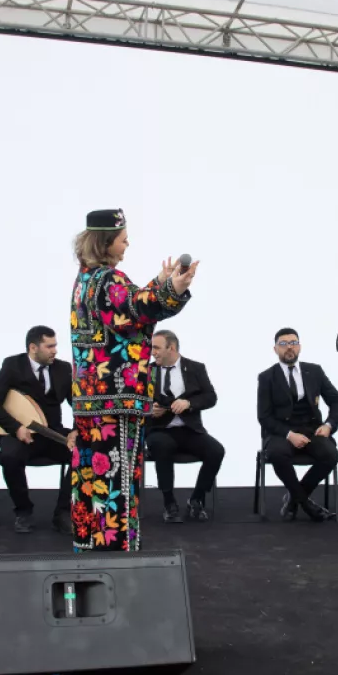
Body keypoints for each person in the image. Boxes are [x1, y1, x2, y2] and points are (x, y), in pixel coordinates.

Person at [69, 209, 198, 552]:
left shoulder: (86, 280)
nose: (127, 243)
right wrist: (171, 289)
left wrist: (159, 284)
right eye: (122, 238)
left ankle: (88, 548)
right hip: (115, 400)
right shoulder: (109, 279)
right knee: (117, 479)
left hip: (90, 398)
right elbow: (134, 309)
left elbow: (124, 307)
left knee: (90, 477)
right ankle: (115, 555)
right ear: (105, 242)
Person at [0, 325, 74, 535]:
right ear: (33, 347)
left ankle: (63, 512)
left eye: (55, 346)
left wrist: (77, 430)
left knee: (83, 453)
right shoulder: (12, 366)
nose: (54, 351)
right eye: (49, 346)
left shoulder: (63, 369)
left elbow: (78, 404)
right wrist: (16, 428)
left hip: (52, 433)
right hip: (20, 434)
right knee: (10, 457)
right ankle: (23, 511)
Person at [257, 328, 338, 523]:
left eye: (293, 343)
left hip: (311, 428)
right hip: (281, 432)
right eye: (284, 344)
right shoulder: (266, 377)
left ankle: (294, 498)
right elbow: (264, 417)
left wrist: (329, 425)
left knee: (331, 455)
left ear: (300, 347)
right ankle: (306, 504)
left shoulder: (315, 371)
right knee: (277, 454)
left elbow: (337, 400)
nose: (289, 347)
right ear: (275, 349)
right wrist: (289, 435)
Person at [146, 330, 224, 523]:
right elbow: (133, 401)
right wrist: (148, 409)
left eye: (156, 348)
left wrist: (189, 403)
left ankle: (197, 498)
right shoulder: (146, 371)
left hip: (189, 429)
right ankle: (169, 502)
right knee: (162, 446)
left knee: (216, 451)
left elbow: (210, 397)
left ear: (171, 348)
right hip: (159, 429)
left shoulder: (196, 368)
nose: (152, 352)